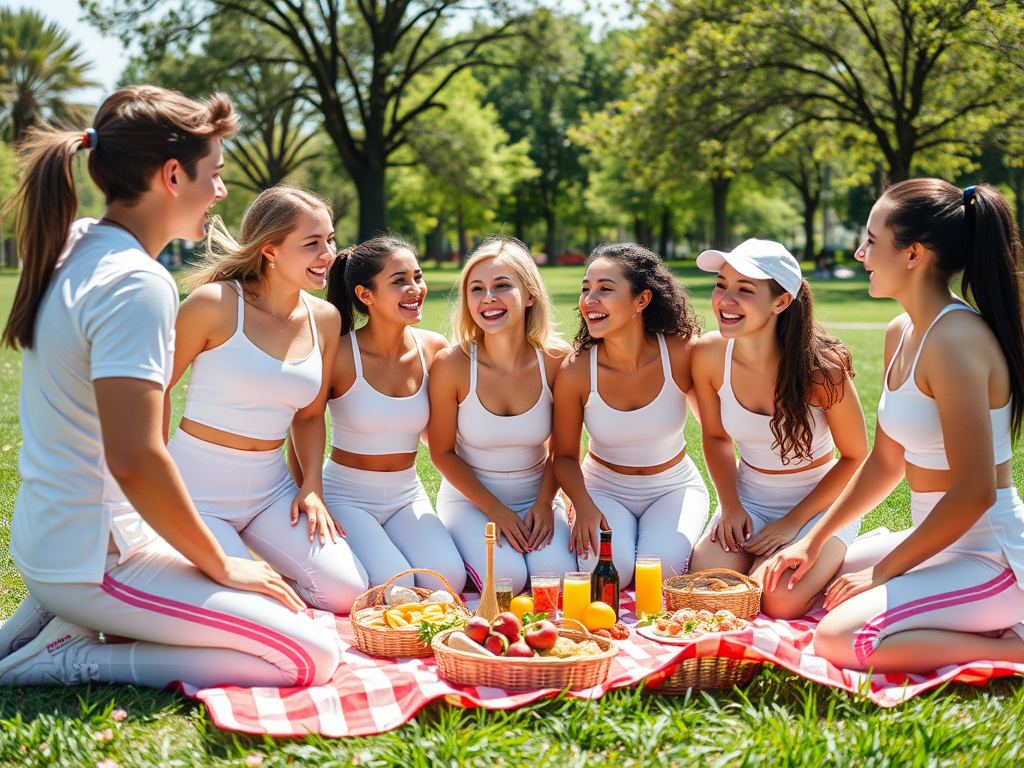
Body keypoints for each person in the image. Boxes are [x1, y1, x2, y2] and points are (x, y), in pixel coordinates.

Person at [0, 86, 340, 689]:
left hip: (64, 540)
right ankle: (66, 660)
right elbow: (135, 460)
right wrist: (221, 565)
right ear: (173, 174)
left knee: (291, 616)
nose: (221, 192)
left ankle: (54, 625)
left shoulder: (78, 241)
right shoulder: (137, 283)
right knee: (311, 655)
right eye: (215, 174)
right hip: (94, 559)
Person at [764, 180, 1024, 673]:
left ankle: (1012, 646)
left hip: (988, 555)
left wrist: (883, 573)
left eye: (872, 241)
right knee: (785, 593)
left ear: (913, 255)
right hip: (932, 538)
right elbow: (885, 464)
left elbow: (976, 492)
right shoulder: (900, 332)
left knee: (838, 640)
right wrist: (811, 539)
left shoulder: (955, 340)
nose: (861, 253)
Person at [166, 186, 368, 615]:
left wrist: (310, 485)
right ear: (270, 249)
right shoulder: (214, 304)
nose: (327, 253)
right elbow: (156, 388)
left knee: (348, 592)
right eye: (311, 243)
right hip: (195, 490)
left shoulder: (325, 319)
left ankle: (265, 600)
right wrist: (157, 472)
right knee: (233, 606)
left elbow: (311, 416)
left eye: (329, 239)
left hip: (271, 491)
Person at [687, 239, 869, 618]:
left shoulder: (823, 369)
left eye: (745, 290)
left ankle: (862, 552)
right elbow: (716, 436)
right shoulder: (708, 354)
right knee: (707, 587)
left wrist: (794, 523)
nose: (725, 299)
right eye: (721, 284)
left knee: (779, 601)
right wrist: (731, 506)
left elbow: (855, 458)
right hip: (748, 500)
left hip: (820, 505)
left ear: (781, 302)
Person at [552, 243, 709, 587]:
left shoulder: (682, 352)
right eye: (586, 289)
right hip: (603, 488)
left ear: (642, 300)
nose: (590, 299)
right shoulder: (577, 370)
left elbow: (715, 432)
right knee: (610, 575)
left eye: (605, 289)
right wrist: (583, 504)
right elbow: (563, 456)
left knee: (661, 573)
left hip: (674, 486)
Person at [314, 236, 463, 592]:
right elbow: (304, 424)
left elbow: (439, 438)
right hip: (346, 496)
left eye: (417, 276)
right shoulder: (338, 354)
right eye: (399, 281)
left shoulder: (434, 349)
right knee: (396, 585)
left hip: (406, 494)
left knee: (448, 581)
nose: (415, 289)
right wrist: (310, 493)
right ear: (366, 295)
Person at [430, 237, 576, 595]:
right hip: (471, 502)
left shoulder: (558, 360)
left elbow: (565, 449)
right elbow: (442, 453)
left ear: (530, 295)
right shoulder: (452, 365)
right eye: (476, 289)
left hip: (538, 498)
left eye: (502, 286)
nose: (488, 298)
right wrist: (494, 509)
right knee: (508, 582)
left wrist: (545, 502)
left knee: (553, 581)